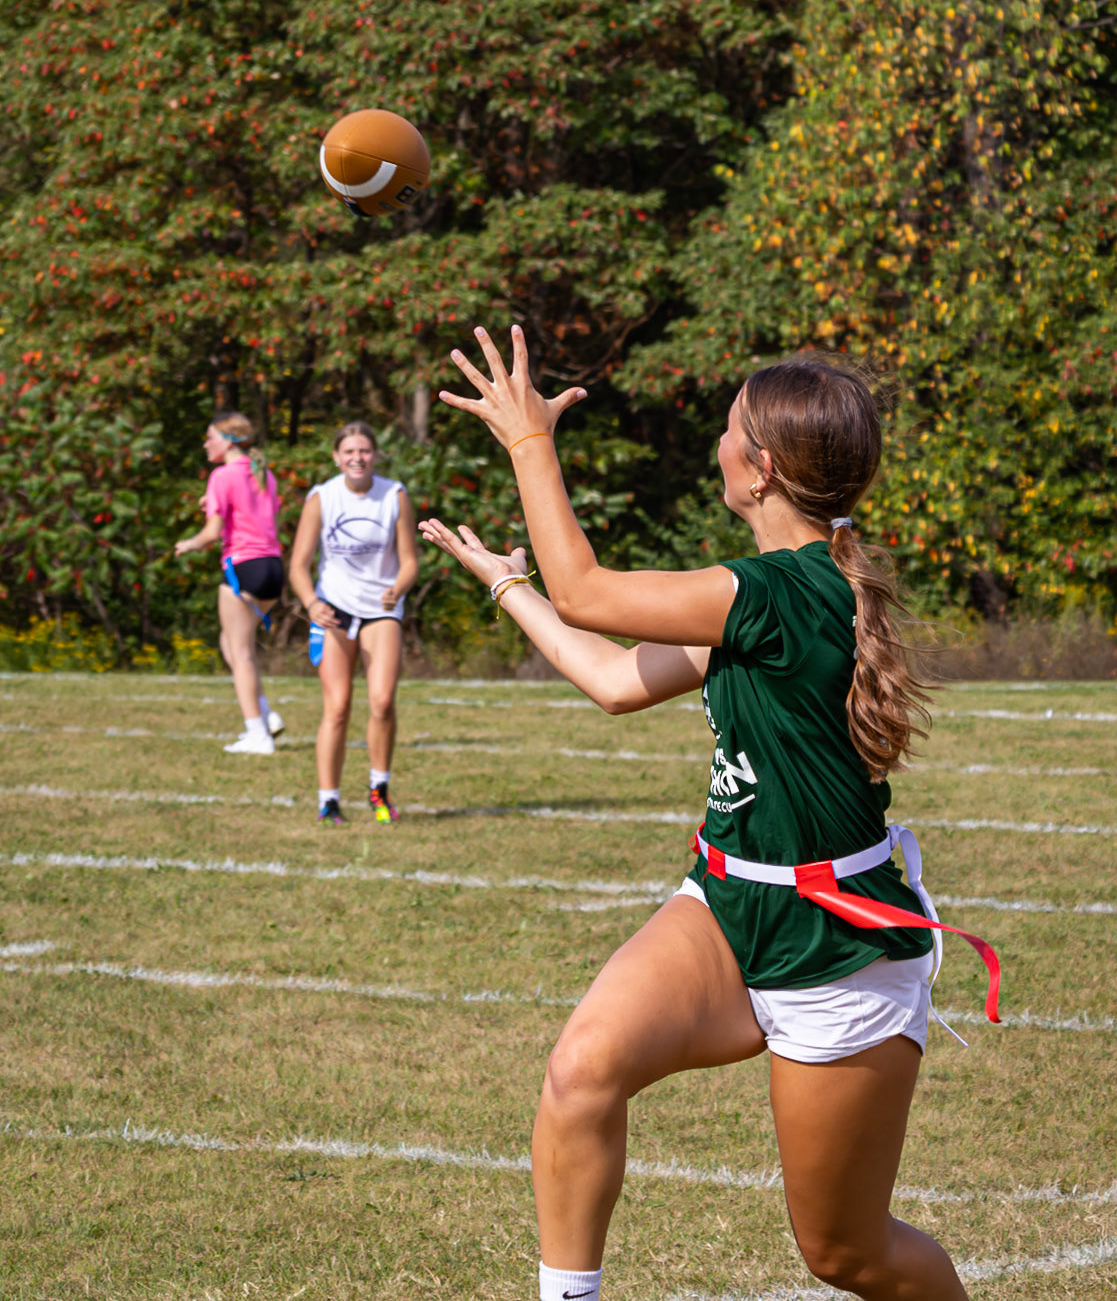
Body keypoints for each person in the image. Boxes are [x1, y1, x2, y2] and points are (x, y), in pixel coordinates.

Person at [419, 327, 1000, 1301]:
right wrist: (507, 584)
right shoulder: (754, 597)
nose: (714, 444)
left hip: (835, 943)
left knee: (844, 1253)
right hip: (727, 903)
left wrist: (528, 444)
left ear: (761, 469)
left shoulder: (778, 591)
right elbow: (608, 675)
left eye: (728, 431)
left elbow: (591, 593)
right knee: (579, 1075)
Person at [288, 422, 418, 825]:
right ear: (336, 458)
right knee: (338, 707)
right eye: (349, 452)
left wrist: (398, 588)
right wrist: (311, 603)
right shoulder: (321, 498)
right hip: (334, 609)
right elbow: (297, 565)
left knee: (381, 702)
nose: (357, 458)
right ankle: (329, 800)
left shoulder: (394, 494)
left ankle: (379, 791)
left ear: (375, 455)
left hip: (381, 609)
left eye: (364, 451)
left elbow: (410, 559)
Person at [174, 412, 286, 756]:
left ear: (228, 440)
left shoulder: (221, 475)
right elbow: (259, 515)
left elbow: (212, 533)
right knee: (233, 644)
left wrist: (190, 543)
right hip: (272, 567)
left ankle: (257, 733)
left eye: (210, 437)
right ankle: (266, 716)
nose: (206, 444)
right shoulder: (262, 473)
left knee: (240, 653)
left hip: (243, 566)